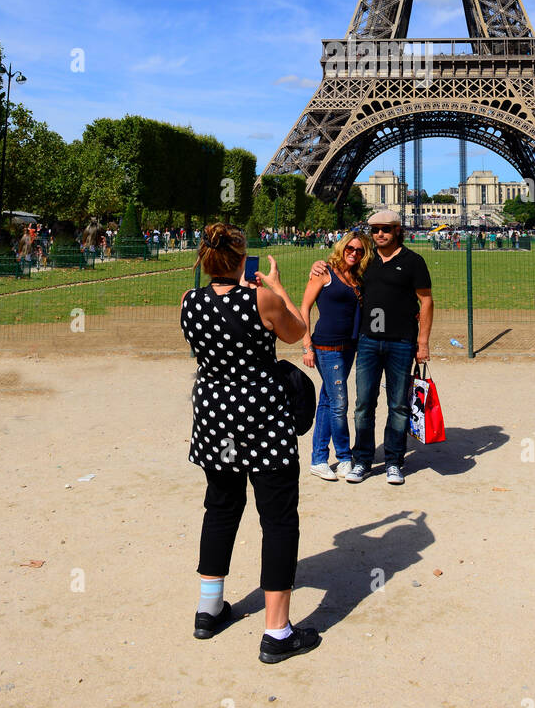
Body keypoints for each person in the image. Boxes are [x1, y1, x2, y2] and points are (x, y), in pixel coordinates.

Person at [180, 221, 320, 664]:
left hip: (215, 416)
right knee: (278, 518)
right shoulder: (261, 297)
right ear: (242, 259)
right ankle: (276, 632)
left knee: (220, 507)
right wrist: (277, 288)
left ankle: (208, 609)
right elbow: (298, 332)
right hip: (261, 417)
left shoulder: (189, 301)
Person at [308, 209, 432, 486]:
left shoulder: (414, 261)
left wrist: (422, 342)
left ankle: (393, 461)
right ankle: (362, 459)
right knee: (364, 404)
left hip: (402, 342)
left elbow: (426, 301)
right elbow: (339, 266)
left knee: (398, 405)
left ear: (398, 229)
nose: (379, 234)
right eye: (374, 229)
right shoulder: (366, 260)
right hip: (366, 341)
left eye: (386, 229)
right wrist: (319, 264)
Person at [300, 230, 375, 481]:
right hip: (326, 346)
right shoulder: (324, 272)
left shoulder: (358, 276)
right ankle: (343, 457)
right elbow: (305, 306)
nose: (354, 253)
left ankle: (318, 459)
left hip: (349, 345)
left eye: (359, 251)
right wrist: (306, 344)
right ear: (342, 248)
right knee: (340, 403)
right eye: (350, 249)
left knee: (329, 401)